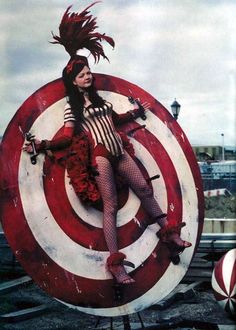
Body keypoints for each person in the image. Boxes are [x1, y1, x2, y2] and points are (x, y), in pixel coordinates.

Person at [24, 2, 191, 285]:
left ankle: (170, 235)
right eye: (82, 75)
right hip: (100, 158)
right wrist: (41, 145)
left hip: (118, 150)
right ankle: (116, 264)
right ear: (74, 82)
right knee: (111, 207)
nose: (88, 76)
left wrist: (136, 113)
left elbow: (115, 119)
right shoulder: (71, 108)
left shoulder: (100, 100)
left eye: (88, 72)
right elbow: (66, 137)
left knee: (144, 190)